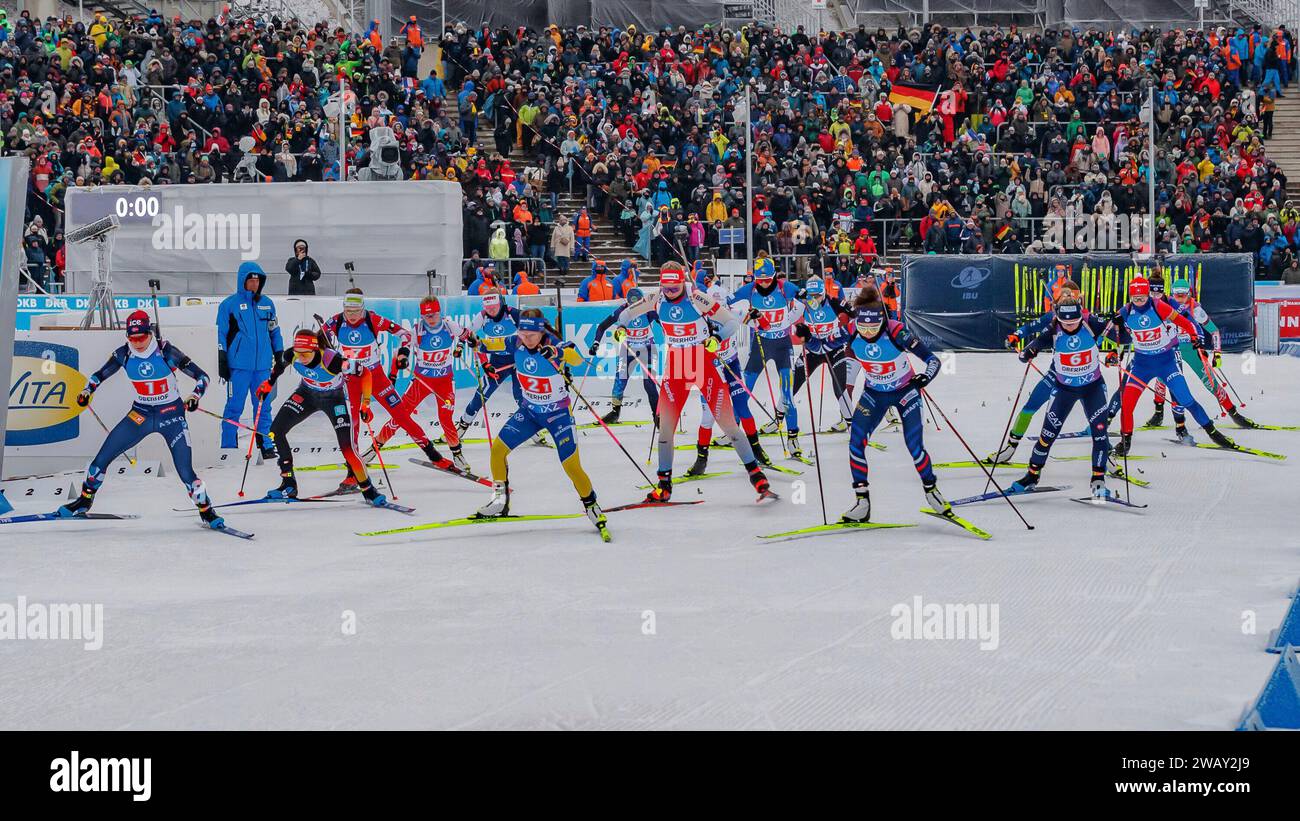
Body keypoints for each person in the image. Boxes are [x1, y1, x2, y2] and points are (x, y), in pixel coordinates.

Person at [620, 262, 773, 502]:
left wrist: (717, 337)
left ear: (683, 281)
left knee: (729, 425)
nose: (670, 293)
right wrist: (620, 327)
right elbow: (626, 314)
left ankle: (756, 475)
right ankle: (664, 485)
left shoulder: (696, 298)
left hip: (703, 364)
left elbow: (731, 322)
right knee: (666, 429)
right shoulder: (656, 298)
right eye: (666, 288)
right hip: (677, 368)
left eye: (675, 287)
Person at [60, 311, 222, 528]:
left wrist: (194, 396)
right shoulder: (123, 354)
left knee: (185, 471)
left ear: (150, 333)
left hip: (171, 416)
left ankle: (206, 510)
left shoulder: (166, 351)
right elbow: (98, 376)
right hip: (140, 415)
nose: (137, 343)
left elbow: (202, 377)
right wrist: (87, 392)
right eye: (132, 338)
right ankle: (84, 501)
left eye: (141, 337)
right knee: (100, 460)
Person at [476, 309, 609, 540]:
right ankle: (500, 501)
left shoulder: (554, 344)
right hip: (529, 412)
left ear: (541, 331)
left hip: (558, 415)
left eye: (531, 335)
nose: (525, 338)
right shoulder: (515, 341)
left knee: (571, 466)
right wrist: (470, 341)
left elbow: (577, 359)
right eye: (522, 333)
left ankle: (591, 506)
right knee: (498, 450)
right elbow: (487, 344)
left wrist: (557, 353)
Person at [840, 285, 949, 523]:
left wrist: (925, 377)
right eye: (863, 327)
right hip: (874, 393)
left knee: (914, 446)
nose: (867, 332)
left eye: (873, 327)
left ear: (881, 321)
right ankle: (862, 502)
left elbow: (932, 360)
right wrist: (806, 334)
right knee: (855, 442)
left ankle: (932, 490)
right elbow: (825, 341)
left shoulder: (896, 332)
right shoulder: (851, 330)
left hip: (905, 392)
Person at [323, 288, 452, 487]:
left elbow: (403, 333)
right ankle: (353, 472)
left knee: (401, 415)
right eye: (348, 311)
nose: (352, 316)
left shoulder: (373, 320)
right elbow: (318, 342)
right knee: (353, 425)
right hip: (352, 381)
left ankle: (434, 456)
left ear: (363, 308)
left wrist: (402, 352)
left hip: (376, 378)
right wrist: (330, 355)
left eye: (356, 311)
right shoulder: (336, 321)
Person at [257, 328, 387, 506]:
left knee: (347, 448)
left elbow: (365, 374)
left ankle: (368, 489)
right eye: (298, 353)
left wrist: (366, 403)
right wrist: (268, 384)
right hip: (306, 394)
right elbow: (279, 366)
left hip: (333, 399)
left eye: (306, 354)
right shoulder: (291, 355)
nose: (301, 357)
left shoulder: (332, 360)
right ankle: (288, 484)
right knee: (275, 431)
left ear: (315, 349)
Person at [1111, 277, 1236, 457]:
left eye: (1142, 297)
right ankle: (1125, 442)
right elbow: (1111, 333)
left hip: (1166, 363)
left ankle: (1213, 432)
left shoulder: (1159, 306)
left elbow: (1186, 323)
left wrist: (1195, 338)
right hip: (1141, 366)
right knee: (1128, 404)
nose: (1139, 301)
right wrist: (1113, 351)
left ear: (1147, 294)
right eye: (1135, 298)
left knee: (1186, 400)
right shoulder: (1126, 310)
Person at [1007, 297, 1115, 498]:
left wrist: (1118, 331)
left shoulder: (1090, 322)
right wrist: (1026, 354)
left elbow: (1122, 337)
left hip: (1093, 388)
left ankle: (1098, 479)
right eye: (1066, 322)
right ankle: (1032, 476)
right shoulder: (1053, 329)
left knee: (1100, 434)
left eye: (1073, 321)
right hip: (1064, 389)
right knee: (1047, 435)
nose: (1070, 325)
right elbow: (1034, 345)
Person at [376, 296, 474, 471]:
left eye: (434, 315)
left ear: (439, 312)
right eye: (427, 316)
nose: (431, 319)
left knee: (445, 418)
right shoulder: (417, 330)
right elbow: (403, 346)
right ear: (422, 316)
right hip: (422, 382)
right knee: (400, 415)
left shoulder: (449, 325)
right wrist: (402, 359)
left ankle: (457, 453)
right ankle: (374, 448)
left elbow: (466, 334)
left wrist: (467, 344)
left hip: (444, 382)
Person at [729, 257, 805, 456]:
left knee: (787, 395)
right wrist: (747, 317)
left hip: (782, 345)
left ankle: (793, 438)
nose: (764, 283)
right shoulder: (748, 289)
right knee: (745, 390)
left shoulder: (784, 287)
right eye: (760, 279)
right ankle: (734, 431)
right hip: (761, 344)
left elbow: (806, 300)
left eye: (768, 279)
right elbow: (728, 307)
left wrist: (795, 317)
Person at [216, 261, 282, 457]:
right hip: (238, 367)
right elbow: (221, 334)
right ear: (242, 280)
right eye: (251, 279)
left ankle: (266, 443)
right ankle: (228, 445)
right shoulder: (229, 305)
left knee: (263, 406)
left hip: (262, 367)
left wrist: (279, 354)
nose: (254, 283)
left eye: (257, 280)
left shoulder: (267, 304)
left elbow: (274, 331)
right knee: (234, 406)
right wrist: (222, 359)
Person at [789, 276, 855, 433]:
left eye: (818, 295)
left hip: (834, 349)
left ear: (824, 292)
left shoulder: (834, 302)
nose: (815, 300)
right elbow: (789, 318)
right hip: (812, 350)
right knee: (792, 385)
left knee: (840, 388)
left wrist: (845, 329)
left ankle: (853, 425)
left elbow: (856, 317)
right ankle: (777, 420)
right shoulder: (803, 304)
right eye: (811, 296)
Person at [589, 287, 659, 425]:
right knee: (620, 381)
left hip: (649, 349)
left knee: (649, 383)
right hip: (628, 350)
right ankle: (615, 413)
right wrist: (596, 343)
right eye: (631, 305)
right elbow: (602, 326)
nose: (634, 308)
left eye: (638, 305)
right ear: (627, 303)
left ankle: (658, 416)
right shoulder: (621, 311)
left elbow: (663, 322)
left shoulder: (649, 310)